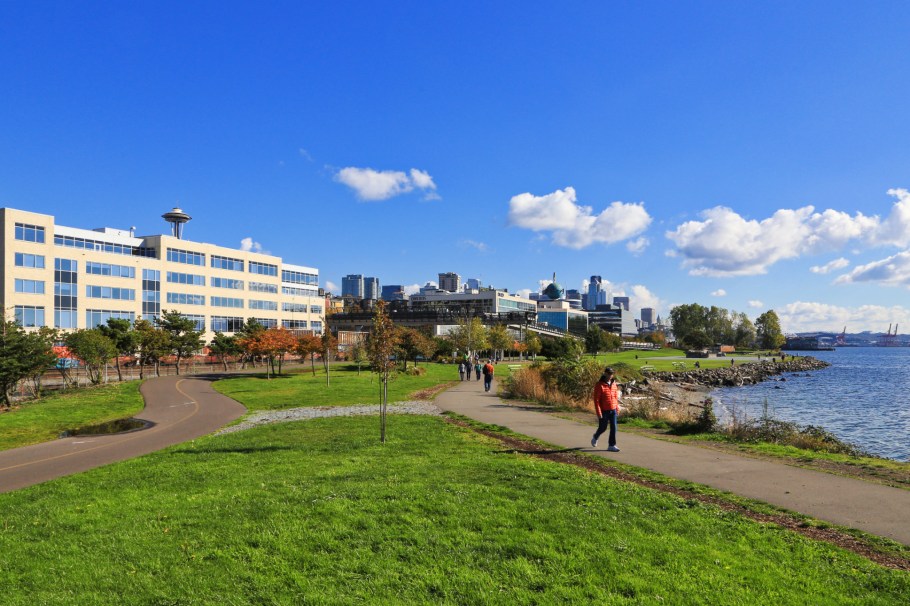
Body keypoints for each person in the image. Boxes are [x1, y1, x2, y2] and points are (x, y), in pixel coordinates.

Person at [591, 367, 621, 452]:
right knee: (603, 428)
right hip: (604, 410)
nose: (610, 375)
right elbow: (596, 400)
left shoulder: (614, 384)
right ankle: (596, 436)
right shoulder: (599, 385)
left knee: (614, 428)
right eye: (608, 373)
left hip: (613, 409)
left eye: (611, 374)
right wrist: (599, 412)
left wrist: (617, 408)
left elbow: (615, 397)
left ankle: (611, 445)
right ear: (605, 373)